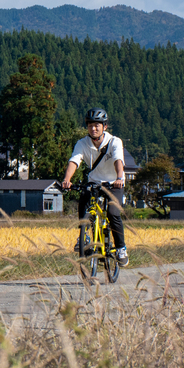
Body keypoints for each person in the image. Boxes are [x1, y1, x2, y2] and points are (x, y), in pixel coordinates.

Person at [61, 107, 128, 266]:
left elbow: (118, 160)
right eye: (90, 125)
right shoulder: (82, 143)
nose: (93, 128)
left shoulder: (114, 142)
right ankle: (83, 236)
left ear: (105, 126)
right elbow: (74, 161)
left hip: (113, 183)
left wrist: (119, 177)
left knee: (113, 213)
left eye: (97, 125)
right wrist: (67, 179)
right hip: (94, 182)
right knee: (84, 199)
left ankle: (120, 248)